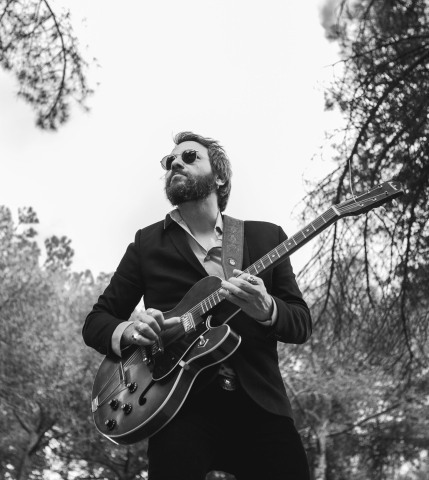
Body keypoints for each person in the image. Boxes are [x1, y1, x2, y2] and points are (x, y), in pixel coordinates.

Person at [82, 132, 312, 479]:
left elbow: (300, 323)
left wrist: (266, 308)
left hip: (261, 406)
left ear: (219, 177)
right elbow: (96, 321)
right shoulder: (147, 243)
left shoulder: (266, 238)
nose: (175, 162)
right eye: (169, 161)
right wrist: (132, 329)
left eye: (189, 157)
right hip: (176, 406)